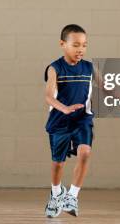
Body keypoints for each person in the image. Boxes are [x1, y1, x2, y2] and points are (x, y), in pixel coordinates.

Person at [44, 24, 94, 218]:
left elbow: (106, 88)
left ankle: (72, 196)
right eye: (76, 45)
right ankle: (56, 194)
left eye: (84, 45)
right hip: (60, 121)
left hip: (83, 119)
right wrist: (64, 108)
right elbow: (48, 96)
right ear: (63, 44)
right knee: (58, 164)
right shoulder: (54, 68)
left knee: (85, 152)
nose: (80, 49)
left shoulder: (89, 67)